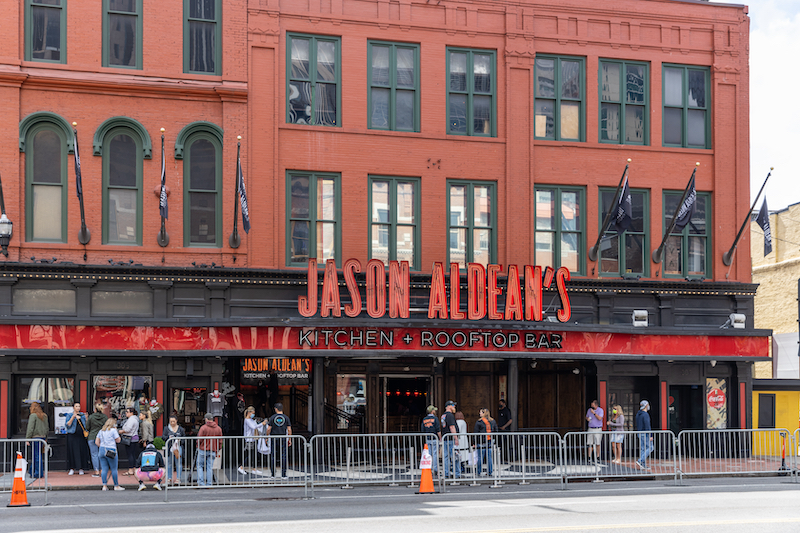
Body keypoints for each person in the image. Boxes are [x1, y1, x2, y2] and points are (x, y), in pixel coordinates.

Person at [95, 418, 124, 491]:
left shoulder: (101, 431)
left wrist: (102, 447)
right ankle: (116, 485)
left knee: (104, 468)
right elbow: (118, 440)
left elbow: (96, 442)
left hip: (102, 450)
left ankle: (104, 486)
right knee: (114, 469)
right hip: (111, 450)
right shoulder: (113, 431)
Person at [266, 403, 292, 479]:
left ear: (276, 409)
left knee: (273, 455)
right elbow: (289, 429)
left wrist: (266, 437)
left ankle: (273, 474)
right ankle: (283, 474)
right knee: (283, 455)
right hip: (283, 437)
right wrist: (289, 439)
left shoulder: (272, 417)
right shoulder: (286, 418)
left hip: (274, 437)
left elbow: (268, 429)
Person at [239, 406, 267, 476]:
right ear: (249, 413)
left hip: (253, 439)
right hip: (249, 439)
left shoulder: (251, 419)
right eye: (252, 413)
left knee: (253, 454)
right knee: (248, 454)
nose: (253, 414)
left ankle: (254, 468)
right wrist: (262, 424)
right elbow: (254, 427)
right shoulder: (247, 420)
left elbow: (255, 425)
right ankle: (241, 467)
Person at [63, 402, 89, 475]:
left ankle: (81, 468)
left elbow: (86, 426)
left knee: (81, 452)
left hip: (81, 436)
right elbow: (67, 425)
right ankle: (72, 468)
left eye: (79, 406)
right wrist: (73, 417)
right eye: (76, 406)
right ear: (73, 407)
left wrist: (86, 418)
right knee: (72, 452)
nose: (78, 408)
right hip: (72, 435)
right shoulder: (70, 415)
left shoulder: (82, 415)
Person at [197, 413, 222, 487]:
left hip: (203, 449)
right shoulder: (218, 428)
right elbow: (220, 441)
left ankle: (201, 483)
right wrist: (218, 449)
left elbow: (199, 439)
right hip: (213, 450)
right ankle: (209, 483)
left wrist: (198, 445)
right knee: (210, 467)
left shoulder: (203, 428)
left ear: (206, 419)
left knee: (200, 465)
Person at [25, 402, 48, 479]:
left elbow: (30, 428)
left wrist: (27, 438)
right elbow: (47, 428)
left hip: (35, 437)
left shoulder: (33, 416)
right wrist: (46, 437)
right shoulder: (44, 416)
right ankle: (32, 471)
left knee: (36, 455)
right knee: (38, 455)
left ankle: (38, 473)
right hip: (42, 438)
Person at [86, 402, 108, 478]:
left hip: (92, 436)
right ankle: (102, 470)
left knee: (94, 454)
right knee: (102, 454)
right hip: (102, 437)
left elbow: (87, 427)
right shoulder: (105, 417)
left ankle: (96, 471)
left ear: (95, 409)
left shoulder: (91, 417)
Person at [163, 415, 186, 485]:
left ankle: (178, 478)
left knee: (178, 463)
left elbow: (184, 438)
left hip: (178, 448)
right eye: (171, 421)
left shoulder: (180, 429)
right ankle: (169, 478)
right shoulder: (166, 428)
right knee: (169, 463)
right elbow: (163, 437)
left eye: (173, 421)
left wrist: (180, 440)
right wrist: (168, 437)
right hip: (170, 448)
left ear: (176, 421)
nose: (172, 423)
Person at [474, 408, 498, 476]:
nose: (479, 414)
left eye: (481, 412)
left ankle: (478, 472)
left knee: (480, 457)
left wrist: (474, 442)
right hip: (490, 441)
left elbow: (475, 432)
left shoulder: (479, 422)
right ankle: (490, 472)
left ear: (484, 413)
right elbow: (496, 430)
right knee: (489, 457)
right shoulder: (492, 421)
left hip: (481, 441)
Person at [442, 401, 460, 478]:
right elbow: (452, 427)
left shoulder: (443, 415)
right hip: (451, 439)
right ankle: (457, 473)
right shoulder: (450, 415)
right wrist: (456, 438)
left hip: (445, 438)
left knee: (446, 457)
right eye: (453, 405)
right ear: (448, 406)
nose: (454, 407)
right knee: (455, 456)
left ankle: (446, 473)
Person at [420, 405, 441, 475]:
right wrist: (440, 438)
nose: (435, 411)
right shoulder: (435, 419)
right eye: (434, 410)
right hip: (434, 438)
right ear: (432, 411)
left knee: (429, 454)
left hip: (428, 439)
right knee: (435, 454)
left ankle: (429, 468)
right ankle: (435, 469)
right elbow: (438, 429)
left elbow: (422, 430)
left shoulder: (424, 419)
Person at [120, 407, 140, 476]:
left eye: (127, 412)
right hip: (134, 438)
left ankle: (131, 469)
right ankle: (134, 468)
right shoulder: (135, 419)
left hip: (130, 438)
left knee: (130, 454)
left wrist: (121, 431)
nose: (126, 413)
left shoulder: (131, 420)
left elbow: (128, 429)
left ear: (131, 413)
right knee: (133, 454)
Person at [635, 400, 654, 470]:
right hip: (645, 433)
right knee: (651, 447)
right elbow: (647, 426)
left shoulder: (638, 414)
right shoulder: (645, 414)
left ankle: (643, 464)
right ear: (646, 405)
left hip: (639, 433)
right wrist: (650, 435)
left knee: (643, 449)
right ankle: (640, 461)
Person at [585, 400, 604, 465]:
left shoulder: (600, 410)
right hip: (590, 428)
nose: (591, 406)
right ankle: (589, 457)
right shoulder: (589, 410)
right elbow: (586, 416)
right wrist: (587, 418)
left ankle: (597, 457)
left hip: (597, 429)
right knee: (589, 443)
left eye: (593, 405)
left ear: (596, 405)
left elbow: (599, 418)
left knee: (597, 443)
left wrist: (594, 413)